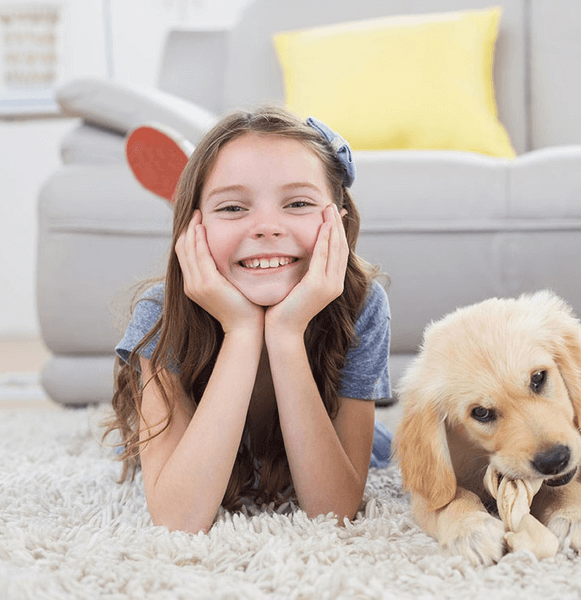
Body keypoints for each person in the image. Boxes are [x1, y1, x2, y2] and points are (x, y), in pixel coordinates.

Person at [105, 106, 392, 533]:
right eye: (233, 207)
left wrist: (287, 333)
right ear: (192, 228)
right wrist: (240, 330)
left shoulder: (361, 305)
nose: (266, 228)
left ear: (338, 222)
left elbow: (333, 511)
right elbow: (178, 519)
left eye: (298, 203)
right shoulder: (163, 311)